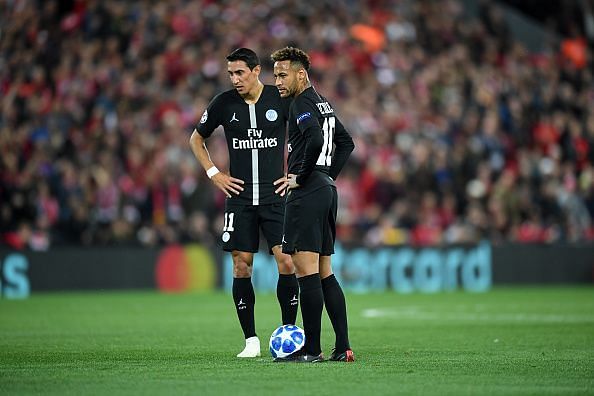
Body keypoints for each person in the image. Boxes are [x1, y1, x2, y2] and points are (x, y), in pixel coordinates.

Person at [189, 48, 299, 358]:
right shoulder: (224, 104)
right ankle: (250, 340)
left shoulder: (280, 99)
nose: (235, 79)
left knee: (286, 262)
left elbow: (309, 133)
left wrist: (297, 173)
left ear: (255, 71)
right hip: (239, 200)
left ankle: (287, 333)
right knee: (241, 266)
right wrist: (213, 173)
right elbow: (196, 139)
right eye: (231, 74)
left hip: (275, 197)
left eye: (240, 73)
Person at [271, 47, 355, 362]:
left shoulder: (301, 104)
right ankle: (343, 347)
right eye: (275, 74)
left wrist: (302, 176)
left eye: (282, 74)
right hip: (326, 190)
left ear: (301, 74)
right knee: (324, 272)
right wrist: (326, 176)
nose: (277, 81)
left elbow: (317, 140)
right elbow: (346, 142)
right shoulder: (324, 103)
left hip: (308, 193)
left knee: (305, 273)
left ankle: (312, 350)